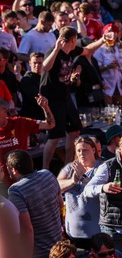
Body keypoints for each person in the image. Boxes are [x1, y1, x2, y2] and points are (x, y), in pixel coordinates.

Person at [41, 26, 105, 170]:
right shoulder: (53, 52)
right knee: (54, 136)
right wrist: (57, 49)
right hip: (52, 98)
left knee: (75, 130)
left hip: (65, 96)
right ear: (72, 40)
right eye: (76, 39)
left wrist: (102, 40)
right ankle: (45, 170)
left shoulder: (73, 50)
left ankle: (68, 167)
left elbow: (88, 50)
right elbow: (45, 67)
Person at [6, 149, 61, 258]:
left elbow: (27, 229)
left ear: (14, 170)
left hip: (39, 257)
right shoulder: (48, 174)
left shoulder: (16, 190)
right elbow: (60, 204)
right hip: (59, 248)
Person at [59, 136, 104, 249]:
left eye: (85, 150)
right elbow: (57, 186)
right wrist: (73, 180)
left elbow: (98, 187)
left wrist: (82, 177)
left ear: (93, 150)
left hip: (95, 233)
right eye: (78, 150)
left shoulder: (102, 167)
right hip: (72, 233)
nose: (81, 153)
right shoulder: (70, 168)